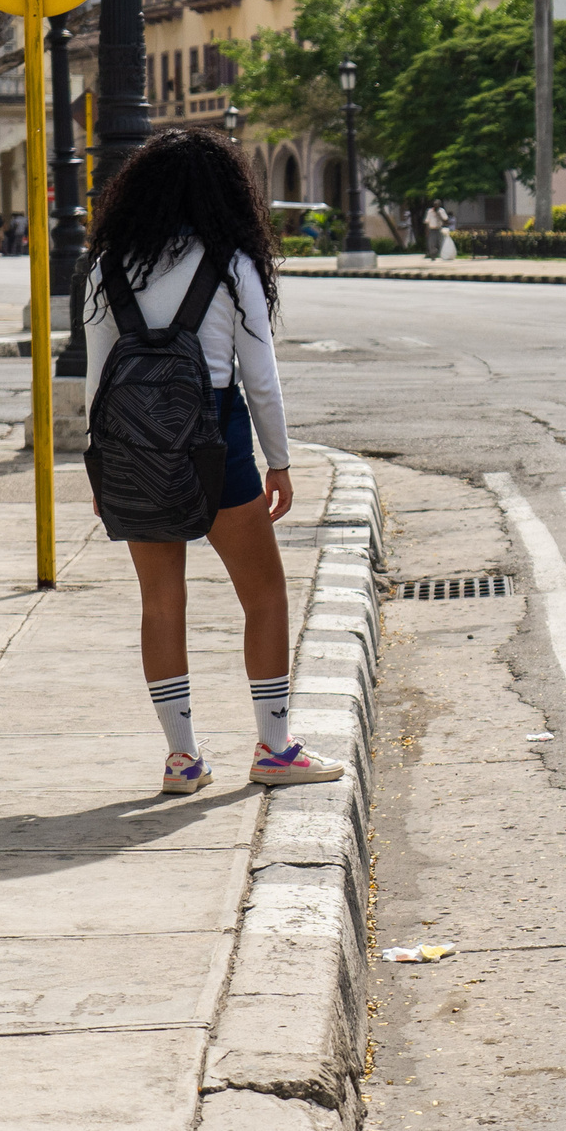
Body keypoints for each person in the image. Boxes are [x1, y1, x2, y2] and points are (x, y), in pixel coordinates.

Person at [80, 127, 340, 795]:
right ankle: (275, 747)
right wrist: (278, 460)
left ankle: (182, 758)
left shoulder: (107, 266)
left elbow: (97, 384)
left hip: (131, 445)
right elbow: (262, 379)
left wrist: (99, 468)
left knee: (161, 600)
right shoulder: (231, 264)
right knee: (264, 592)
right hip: (216, 440)